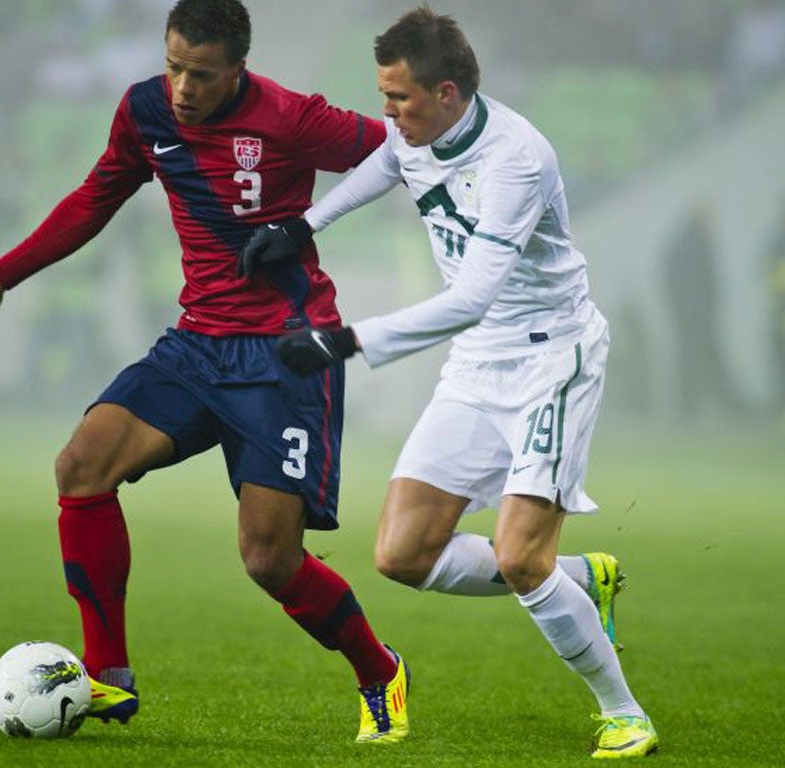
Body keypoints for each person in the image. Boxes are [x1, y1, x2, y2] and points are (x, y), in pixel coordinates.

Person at [0, 0, 410, 744]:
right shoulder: (145, 112)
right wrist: (5, 273)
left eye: (201, 75)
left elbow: (399, 150)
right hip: (197, 343)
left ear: (237, 69)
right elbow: (94, 198)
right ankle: (108, 676)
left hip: (286, 354)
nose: (182, 88)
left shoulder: (293, 118)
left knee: (269, 560)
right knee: (82, 466)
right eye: (173, 68)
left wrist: (322, 222)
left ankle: (379, 670)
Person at [247, 7, 659, 759]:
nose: (387, 113)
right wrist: (305, 226)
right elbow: (386, 167)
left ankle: (624, 711)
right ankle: (581, 579)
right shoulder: (416, 136)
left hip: (549, 361)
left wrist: (345, 340)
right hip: (477, 364)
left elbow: (471, 296)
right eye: (383, 96)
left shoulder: (516, 160)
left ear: (446, 92)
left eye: (398, 98)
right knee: (402, 554)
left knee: (520, 559)